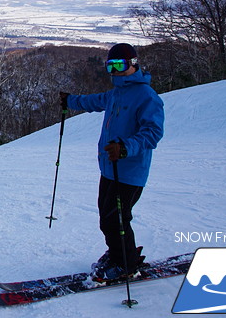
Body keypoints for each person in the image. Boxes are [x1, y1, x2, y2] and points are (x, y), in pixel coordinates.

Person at [60, 43, 164, 282]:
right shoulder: (116, 93)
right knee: (107, 218)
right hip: (109, 167)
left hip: (129, 171)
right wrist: (70, 101)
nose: (115, 71)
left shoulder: (147, 96)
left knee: (116, 218)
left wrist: (126, 148)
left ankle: (125, 264)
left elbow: (153, 133)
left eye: (120, 65)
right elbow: (94, 101)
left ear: (133, 65)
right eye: (110, 66)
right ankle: (120, 253)